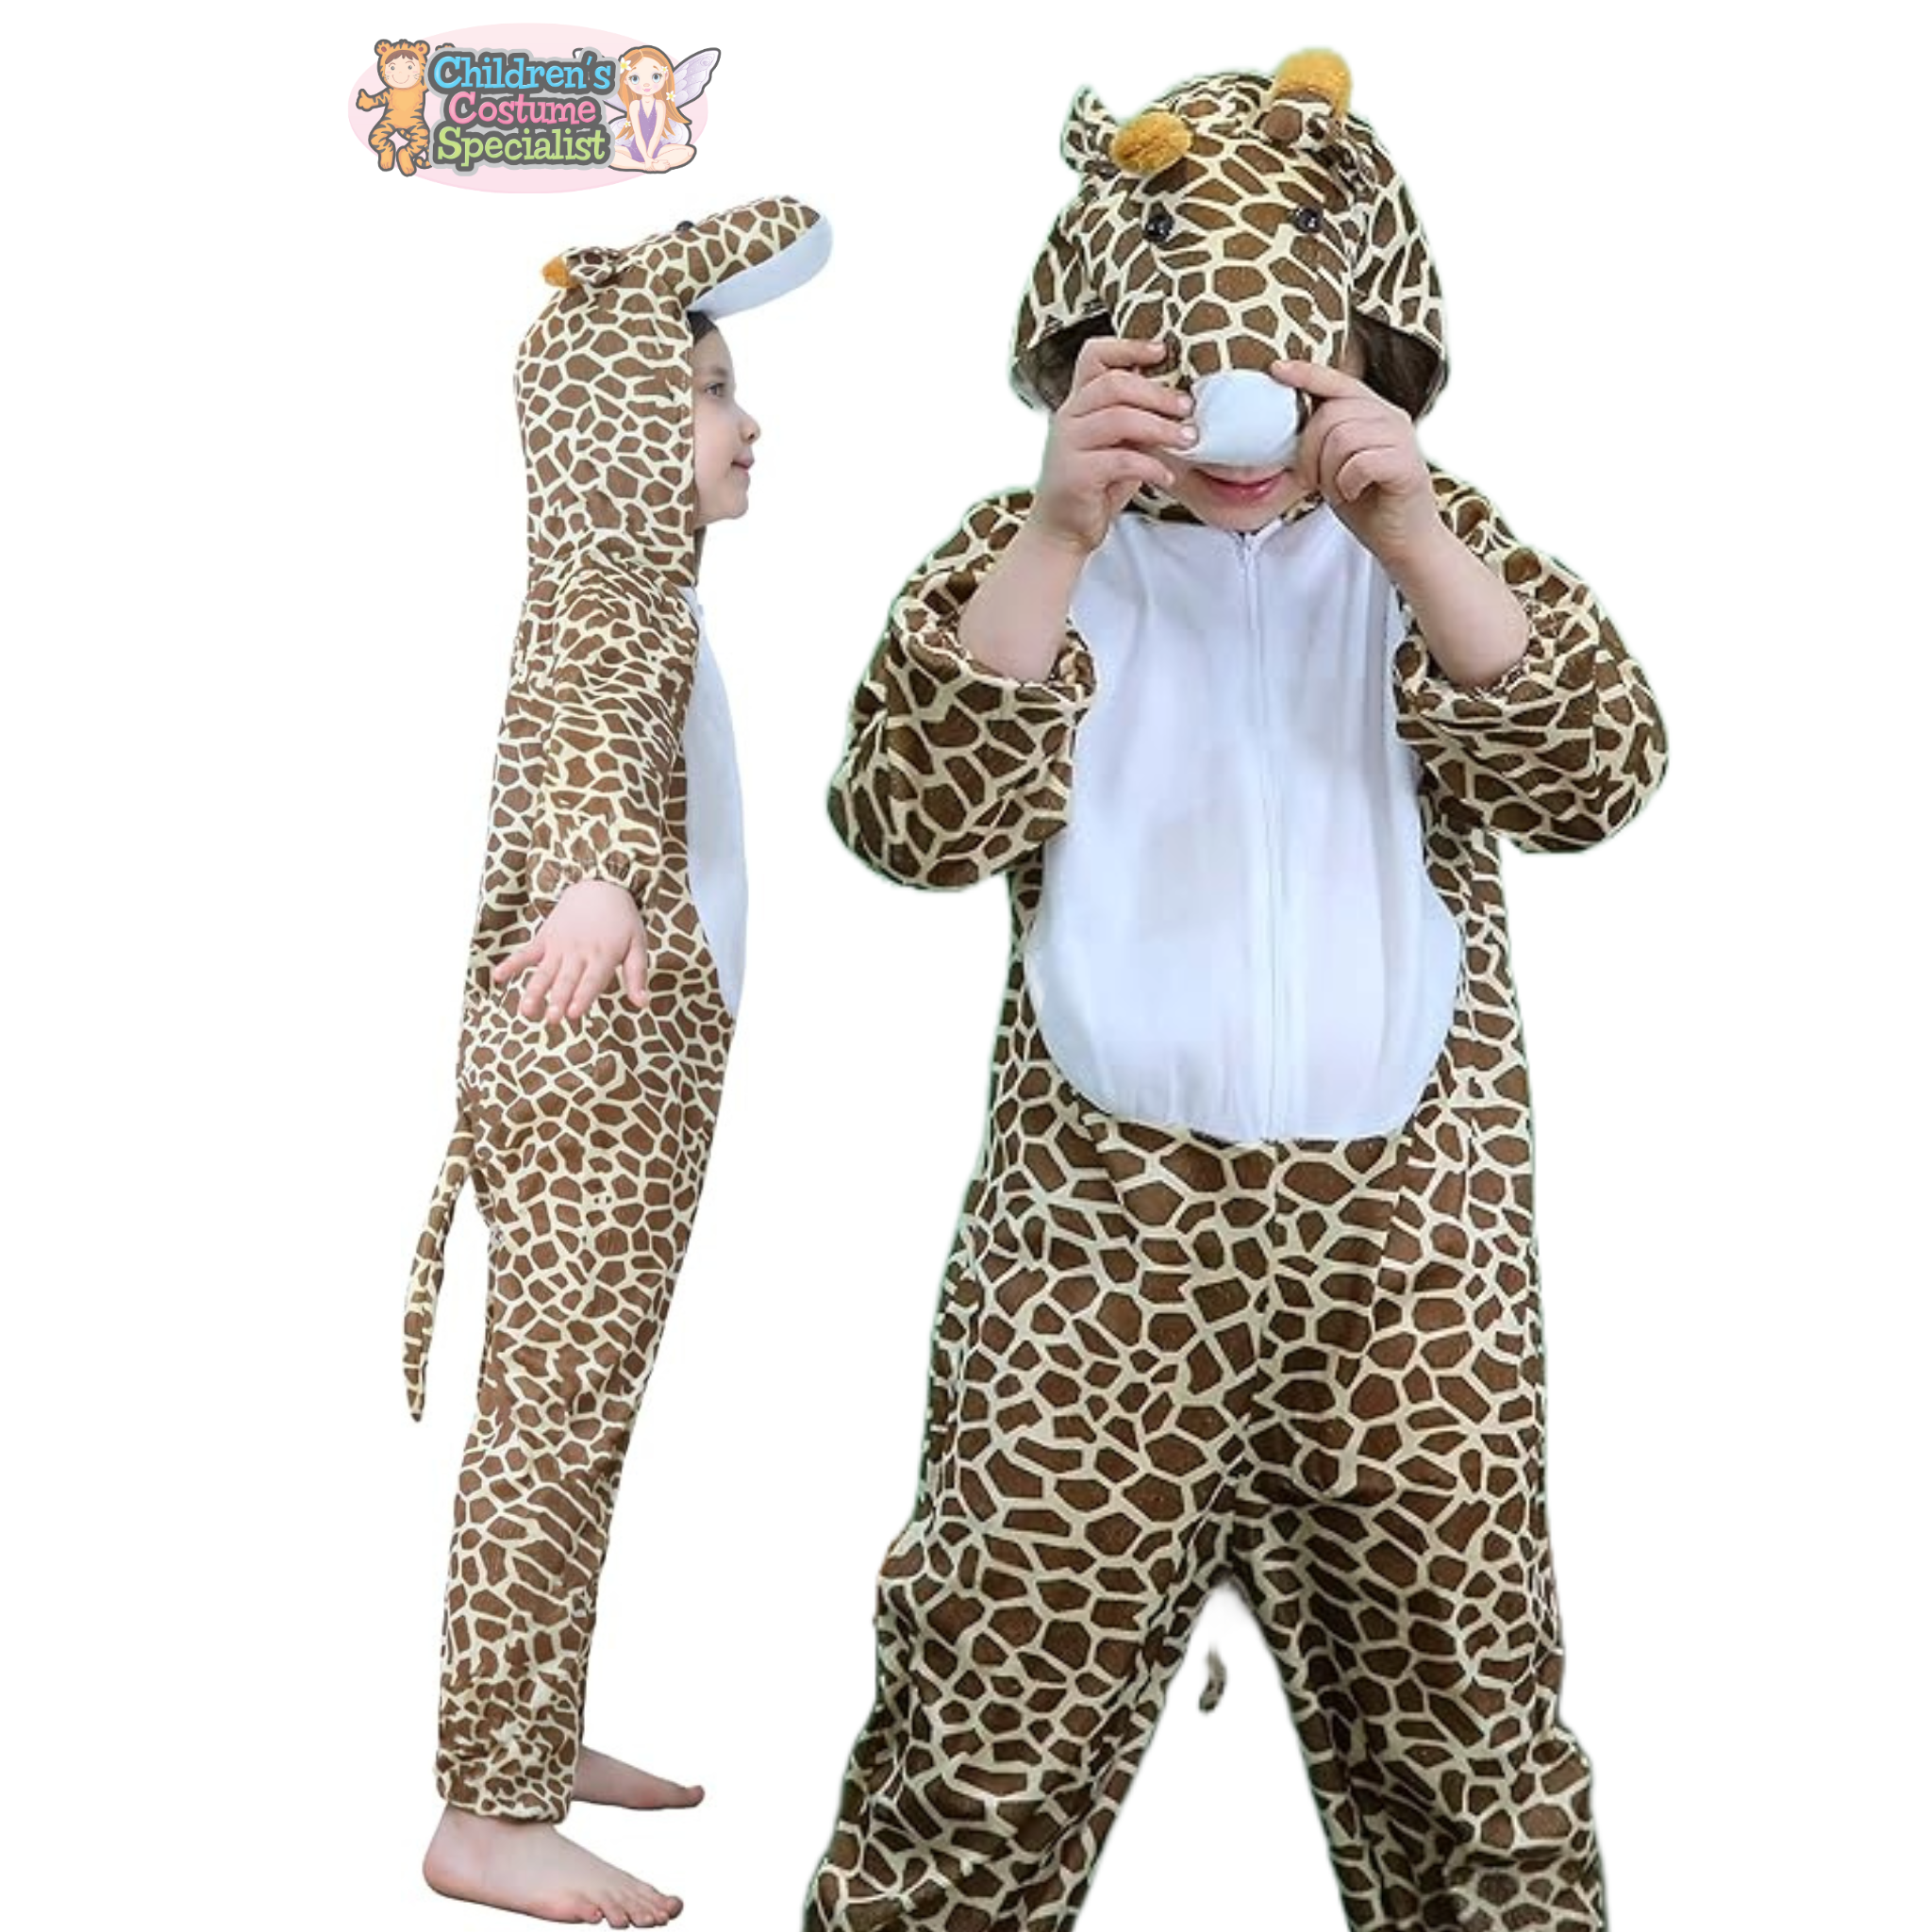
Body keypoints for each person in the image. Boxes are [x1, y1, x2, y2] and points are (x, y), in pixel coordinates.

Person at [804, 53, 1661, 1932]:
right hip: (1093, 1240)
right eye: (1185, 378)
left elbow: (1595, 774)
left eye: (1293, 371)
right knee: (987, 1701)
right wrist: (1057, 529)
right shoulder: (1031, 555)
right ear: (1096, 363)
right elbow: (905, 821)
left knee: (1469, 1725)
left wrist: (1412, 532)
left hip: (1406, 1247)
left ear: (1371, 357)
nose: (1241, 425)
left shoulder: (1429, 546)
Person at [401, 197, 830, 1929]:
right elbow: (583, 733)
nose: (745, 422)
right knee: (550, 1428)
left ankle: (527, 1731)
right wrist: (593, 875)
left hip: (627, 1068)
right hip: (590, 1067)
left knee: (575, 1420)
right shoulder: (612, 598)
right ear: (618, 424)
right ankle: (487, 1815)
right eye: (707, 390)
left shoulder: (648, 590)